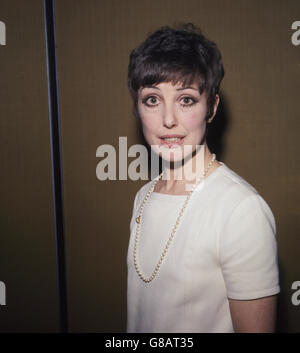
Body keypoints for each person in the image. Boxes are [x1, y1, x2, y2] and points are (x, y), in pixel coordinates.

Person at [126, 23, 280, 333]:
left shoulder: (241, 210)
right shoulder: (143, 196)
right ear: (138, 108)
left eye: (186, 100)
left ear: (211, 107)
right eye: (152, 100)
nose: (169, 120)